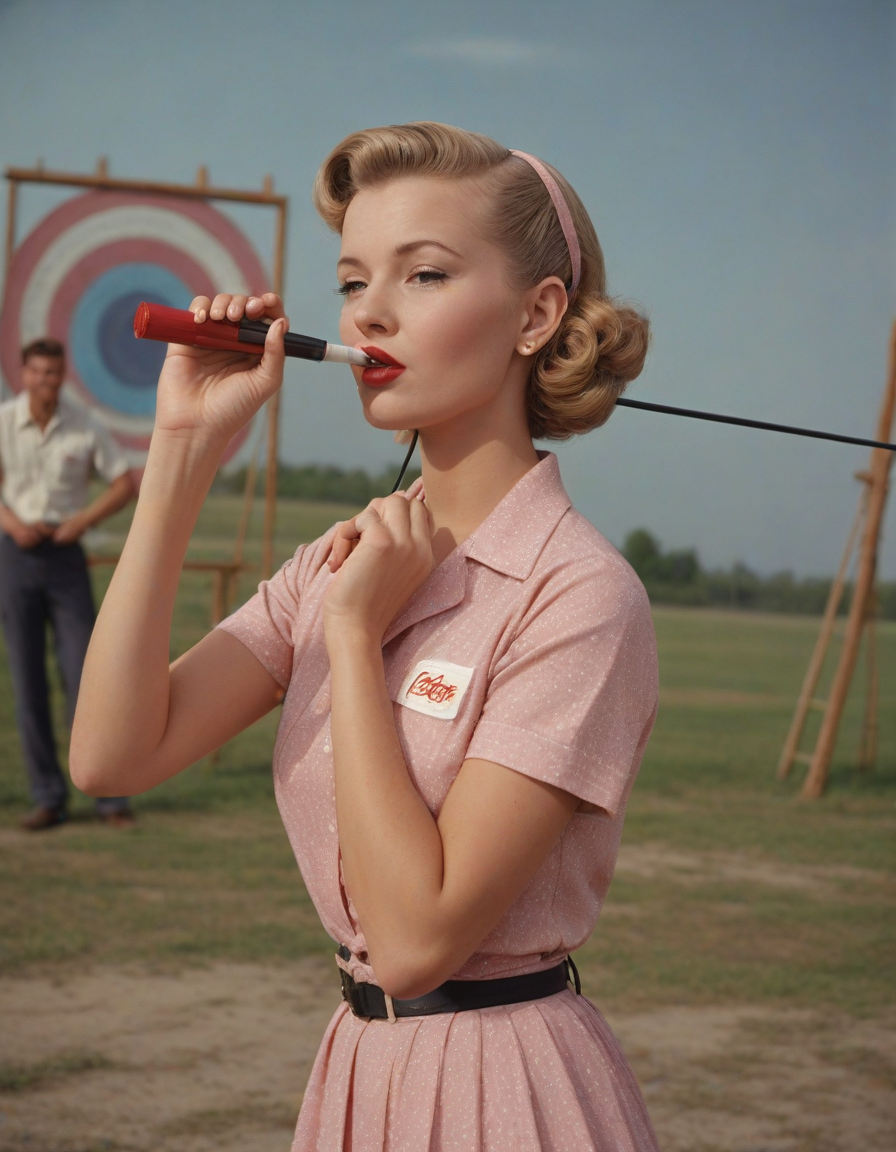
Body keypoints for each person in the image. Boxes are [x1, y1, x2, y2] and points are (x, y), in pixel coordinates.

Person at [71, 123, 660, 1149]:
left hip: (505, 1089)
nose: (369, 312)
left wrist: (352, 637)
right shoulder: (339, 562)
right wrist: (182, 449)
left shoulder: (579, 597)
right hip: (357, 1073)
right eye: (352, 282)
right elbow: (112, 755)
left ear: (536, 315)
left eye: (424, 274)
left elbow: (418, 941)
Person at [0, 338, 136, 830]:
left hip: (65, 556)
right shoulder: (4, 422)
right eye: (38, 372)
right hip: (15, 554)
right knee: (27, 681)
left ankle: (108, 796)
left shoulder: (84, 424)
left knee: (86, 676)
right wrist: (12, 523)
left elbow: (123, 483)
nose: (46, 381)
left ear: (63, 376)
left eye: (54, 373)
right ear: (24, 374)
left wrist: (82, 521)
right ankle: (48, 798)